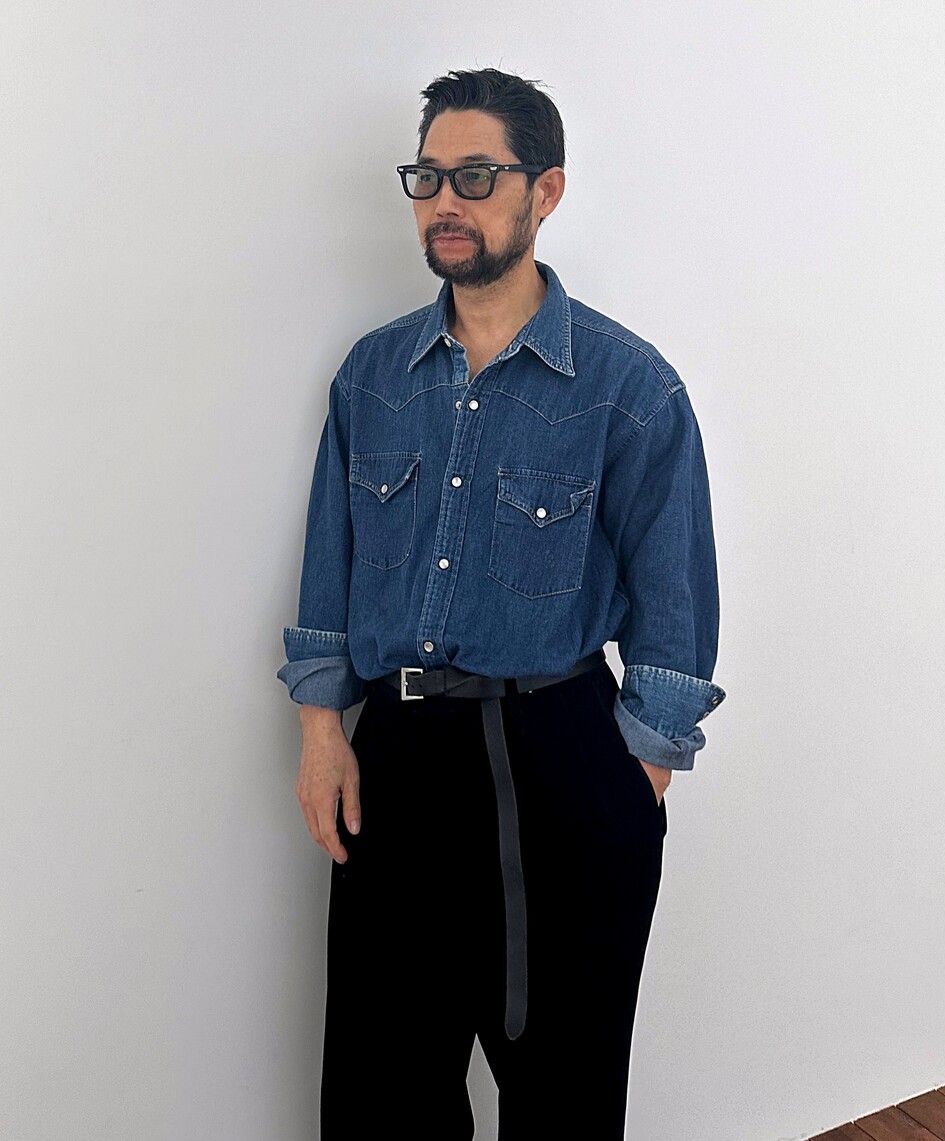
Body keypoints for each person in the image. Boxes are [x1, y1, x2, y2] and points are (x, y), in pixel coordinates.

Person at [276, 67, 726, 1140]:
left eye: (476, 175)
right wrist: (322, 731)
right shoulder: (373, 375)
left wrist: (633, 779)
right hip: (397, 760)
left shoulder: (629, 387)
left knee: (564, 1093)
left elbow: (676, 601)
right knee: (382, 1087)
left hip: (562, 747)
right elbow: (330, 566)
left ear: (545, 190)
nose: (445, 200)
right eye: (428, 176)